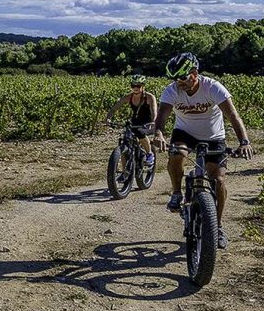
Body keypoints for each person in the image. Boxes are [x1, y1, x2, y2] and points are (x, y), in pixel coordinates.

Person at [152, 53, 253, 247]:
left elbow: (233, 115)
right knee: (177, 154)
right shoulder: (172, 90)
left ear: (194, 73)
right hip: (185, 133)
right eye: (174, 79)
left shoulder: (213, 87)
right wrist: (159, 134)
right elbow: (162, 115)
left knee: (219, 181)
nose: (178, 83)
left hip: (214, 137)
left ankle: (218, 226)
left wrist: (244, 142)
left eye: (182, 78)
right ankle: (176, 193)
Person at [107, 73, 157, 168]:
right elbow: (114, 108)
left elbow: (154, 111)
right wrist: (108, 118)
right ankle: (125, 170)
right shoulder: (128, 97)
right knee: (124, 140)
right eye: (133, 85)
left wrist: (153, 122)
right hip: (135, 120)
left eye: (138, 85)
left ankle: (149, 154)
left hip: (147, 122)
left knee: (139, 132)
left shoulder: (150, 97)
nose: (135, 88)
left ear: (143, 86)